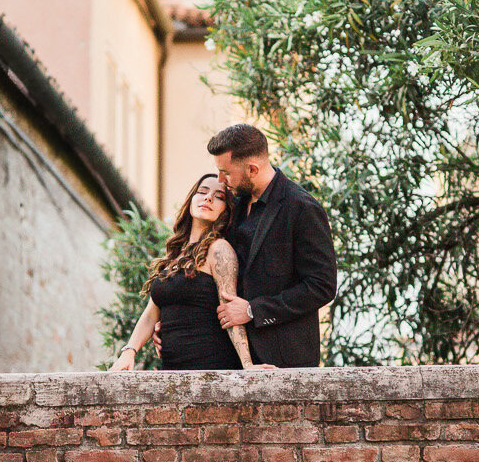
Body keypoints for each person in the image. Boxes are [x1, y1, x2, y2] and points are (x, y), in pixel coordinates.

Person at [206, 123, 337, 368]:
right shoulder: (232, 204)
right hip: (229, 356)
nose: (220, 180)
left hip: (283, 360)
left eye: (226, 173)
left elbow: (322, 286)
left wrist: (254, 310)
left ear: (252, 169)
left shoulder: (302, 208)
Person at [111, 173, 254, 372]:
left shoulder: (219, 249)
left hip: (211, 367)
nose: (208, 198)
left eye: (219, 197)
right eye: (202, 192)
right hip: (172, 370)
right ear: (190, 200)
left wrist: (248, 366)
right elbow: (152, 313)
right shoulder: (174, 254)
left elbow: (230, 311)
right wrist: (129, 351)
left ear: (226, 212)